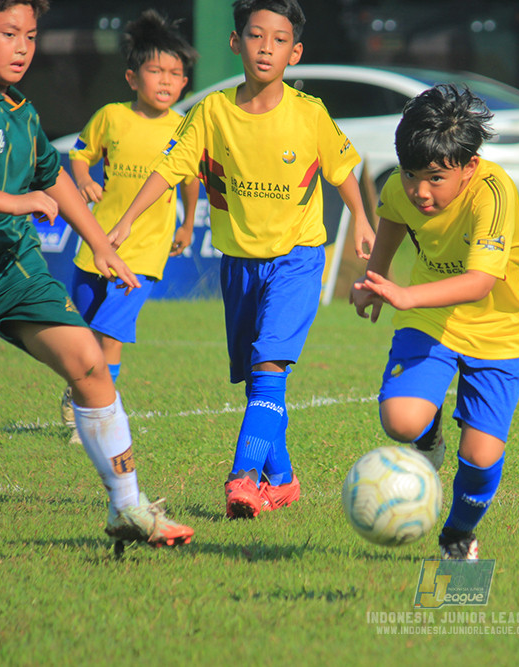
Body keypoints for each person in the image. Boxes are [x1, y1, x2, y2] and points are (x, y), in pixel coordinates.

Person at [111, 0, 375, 520]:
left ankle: (243, 479)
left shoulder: (309, 113)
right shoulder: (211, 114)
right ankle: (283, 479)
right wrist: (125, 222)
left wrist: (361, 219)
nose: (266, 48)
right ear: (236, 43)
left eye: (279, 40)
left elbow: (342, 166)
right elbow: (168, 171)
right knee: (258, 380)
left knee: (269, 367)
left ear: (294, 53)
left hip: (298, 259)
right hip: (240, 265)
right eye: (256, 36)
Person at [0, 0, 193, 550]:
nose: (22, 47)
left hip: (12, 270)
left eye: (31, 36)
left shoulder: (21, 109)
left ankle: (128, 508)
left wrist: (101, 244)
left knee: (89, 363)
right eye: (8, 33)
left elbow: (51, 175)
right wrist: (14, 204)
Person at [350, 84, 519, 560]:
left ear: (469, 167)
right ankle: (428, 434)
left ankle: (457, 533)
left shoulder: (494, 194)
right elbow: (391, 222)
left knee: (480, 456)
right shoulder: (400, 187)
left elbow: (478, 283)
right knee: (401, 420)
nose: (420, 190)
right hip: (432, 319)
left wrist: (404, 295)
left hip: (498, 330)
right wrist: (374, 283)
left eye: (435, 177)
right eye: (412, 175)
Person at [60, 10, 200, 443]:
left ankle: (97, 415)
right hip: (97, 242)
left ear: (184, 84)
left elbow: (191, 179)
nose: (165, 80)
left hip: (146, 251)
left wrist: (188, 225)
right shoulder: (111, 117)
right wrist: (83, 179)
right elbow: (81, 154)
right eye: (155, 70)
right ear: (131, 77)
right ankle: (81, 391)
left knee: (110, 330)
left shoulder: (185, 128)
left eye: (175, 74)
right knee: (85, 332)